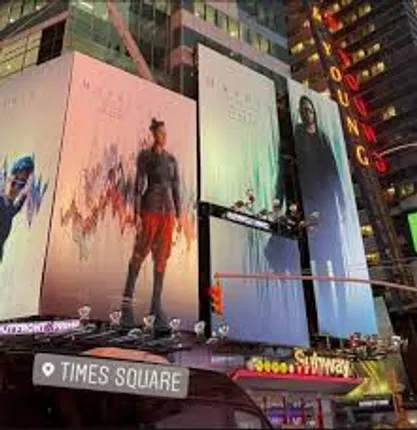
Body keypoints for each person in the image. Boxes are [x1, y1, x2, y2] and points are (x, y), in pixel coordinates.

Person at [121, 118, 181, 329]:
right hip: (149, 209)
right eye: (160, 133)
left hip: (168, 213)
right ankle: (126, 303)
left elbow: (176, 187)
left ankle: (156, 305)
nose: (164, 137)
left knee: (162, 257)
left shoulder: (172, 160)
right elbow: (139, 184)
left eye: (165, 133)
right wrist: (137, 213)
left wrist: (179, 215)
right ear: (153, 134)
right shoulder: (145, 156)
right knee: (140, 252)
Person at [294, 95, 347, 331]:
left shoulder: (323, 137)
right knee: (320, 259)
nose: (308, 114)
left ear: (314, 112)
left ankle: (344, 310)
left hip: (328, 206)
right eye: (304, 110)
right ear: (300, 113)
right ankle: (327, 313)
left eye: (310, 110)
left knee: (336, 259)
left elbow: (335, 173)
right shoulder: (299, 135)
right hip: (311, 205)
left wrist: (343, 204)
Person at [0, 156, 34, 263]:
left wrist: (25, 195)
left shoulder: (9, 205)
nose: (17, 188)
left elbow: (15, 209)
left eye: (21, 184)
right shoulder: (3, 201)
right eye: (16, 182)